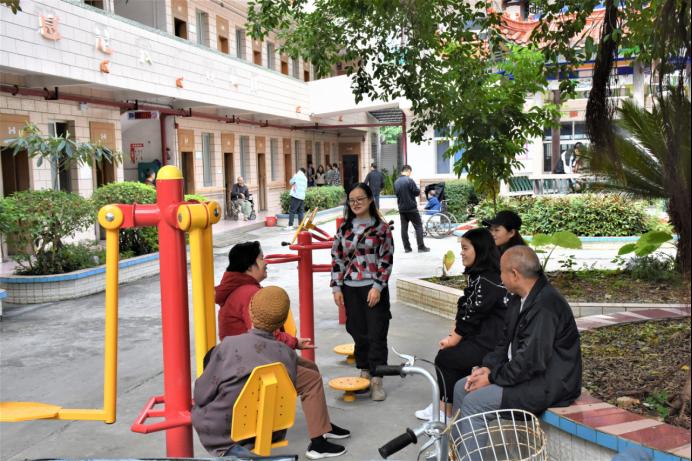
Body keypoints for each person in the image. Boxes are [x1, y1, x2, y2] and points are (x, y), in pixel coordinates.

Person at [451, 246, 582, 460]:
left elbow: (531, 362)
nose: (499, 277)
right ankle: (456, 455)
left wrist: (492, 378)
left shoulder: (546, 305)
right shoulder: (517, 298)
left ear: (514, 274)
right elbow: (503, 344)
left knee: (475, 403)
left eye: (501, 272)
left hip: (547, 384)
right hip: (522, 375)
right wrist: (486, 368)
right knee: (461, 387)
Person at [194, 286, 350, 459]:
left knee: (310, 369)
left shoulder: (228, 346)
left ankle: (322, 426)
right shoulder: (285, 353)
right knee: (310, 376)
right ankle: (319, 439)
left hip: (218, 431)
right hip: (266, 428)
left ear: (250, 312)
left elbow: (201, 394)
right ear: (282, 322)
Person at [415, 228, 506, 421]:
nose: (461, 253)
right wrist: (454, 335)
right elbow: (467, 310)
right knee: (453, 357)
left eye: (465, 248)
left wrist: (453, 339)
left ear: (480, 250)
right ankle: (445, 405)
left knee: (445, 358)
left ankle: (445, 411)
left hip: (493, 344)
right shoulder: (483, 275)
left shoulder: (486, 280)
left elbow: (472, 314)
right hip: (483, 337)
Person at [331, 183, 395, 401]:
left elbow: (386, 259)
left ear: (370, 200)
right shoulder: (344, 228)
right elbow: (337, 259)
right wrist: (336, 287)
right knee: (357, 332)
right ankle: (364, 371)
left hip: (374, 288)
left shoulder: (382, 229)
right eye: (352, 200)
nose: (356, 203)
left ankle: (377, 378)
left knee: (377, 332)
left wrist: (377, 286)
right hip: (350, 288)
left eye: (360, 199)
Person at [394, 165, 430, 253]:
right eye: (410, 172)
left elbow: (397, 194)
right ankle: (421, 247)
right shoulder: (409, 180)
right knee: (418, 226)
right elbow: (417, 192)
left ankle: (407, 248)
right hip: (411, 208)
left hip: (402, 208)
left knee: (404, 228)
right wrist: (417, 190)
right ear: (408, 171)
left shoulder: (396, 182)